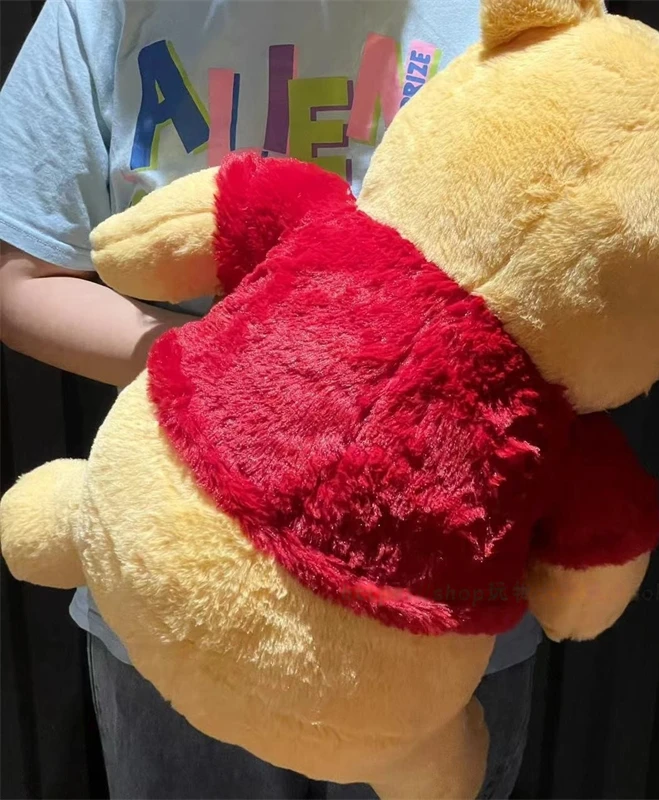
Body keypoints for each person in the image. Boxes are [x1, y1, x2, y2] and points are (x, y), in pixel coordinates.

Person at [0, 1, 543, 797]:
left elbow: (587, 261)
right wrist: (237, 366)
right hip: (178, 593)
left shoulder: (519, 13)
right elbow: (19, 277)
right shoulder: (108, 10)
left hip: (439, 603)